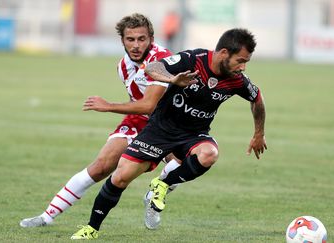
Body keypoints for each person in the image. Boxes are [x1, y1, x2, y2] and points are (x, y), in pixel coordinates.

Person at [70, 28, 267, 240]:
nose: (243, 67)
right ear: (224, 52)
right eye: (240, 60)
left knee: (209, 153)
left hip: (194, 135)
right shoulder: (193, 59)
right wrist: (173, 79)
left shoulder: (237, 79)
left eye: (246, 61)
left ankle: (162, 185)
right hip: (159, 130)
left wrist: (258, 134)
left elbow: (257, 99)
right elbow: (153, 67)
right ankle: (91, 228)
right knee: (120, 177)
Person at [19, 13, 181, 228]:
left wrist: (108, 106)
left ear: (151, 39)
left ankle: (154, 197)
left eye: (141, 39)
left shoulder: (160, 60)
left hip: (172, 124)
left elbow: (149, 104)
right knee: (100, 166)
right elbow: (140, 105)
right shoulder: (122, 66)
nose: (135, 45)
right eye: (130, 39)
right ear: (122, 40)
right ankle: (46, 217)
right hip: (141, 121)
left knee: (181, 164)